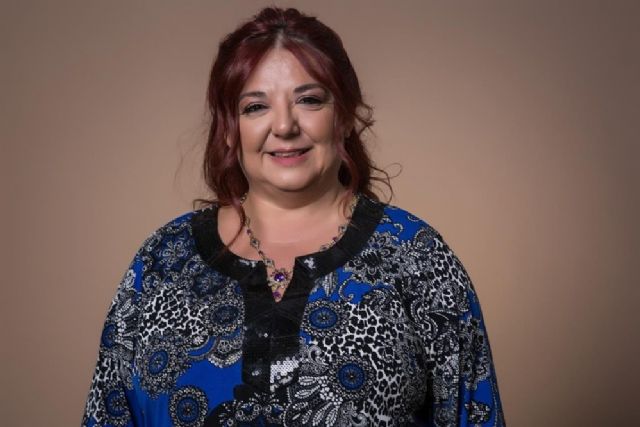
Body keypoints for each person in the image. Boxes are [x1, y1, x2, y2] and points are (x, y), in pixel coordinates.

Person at [82, 7, 505, 427]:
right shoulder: (162, 262)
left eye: (309, 100)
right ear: (229, 129)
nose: (284, 126)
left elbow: (475, 415)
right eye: (255, 107)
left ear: (344, 116)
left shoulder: (416, 258)